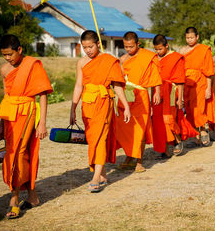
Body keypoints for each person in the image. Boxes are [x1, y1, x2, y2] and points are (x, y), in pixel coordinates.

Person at [0, 34, 53, 218]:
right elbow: (6, 97)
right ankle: (32, 195)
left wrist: (42, 122)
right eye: (4, 55)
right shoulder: (5, 70)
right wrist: (1, 125)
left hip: (27, 111)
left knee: (17, 153)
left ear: (19, 50)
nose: (8, 58)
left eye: (10, 54)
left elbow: (43, 94)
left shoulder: (32, 65)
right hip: (10, 114)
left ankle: (14, 198)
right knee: (20, 154)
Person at [70, 30, 130, 192]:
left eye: (90, 46)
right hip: (88, 104)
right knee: (92, 139)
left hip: (104, 102)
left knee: (100, 138)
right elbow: (78, 85)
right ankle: (102, 173)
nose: (88, 50)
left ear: (98, 44)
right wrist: (73, 108)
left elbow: (117, 85)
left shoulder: (109, 60)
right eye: (84, 47)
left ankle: (96, 176)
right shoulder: (81, 63)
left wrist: (126, 106)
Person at [115, 32, 162, 173]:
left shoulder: (148, 57)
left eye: (131, 46)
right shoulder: (122, 60)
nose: (128, 49)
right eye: (126, 46)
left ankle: (139, 161)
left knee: (140, 129)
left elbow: (155, 76)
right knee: (126, 129)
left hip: (141, 96)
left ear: (138, 44)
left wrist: (157, 92)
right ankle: (129, 157)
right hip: (125, 96)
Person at [179, 27, 215, 146]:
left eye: (192, 37)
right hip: (187, 82)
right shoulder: (182, 51)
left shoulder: (204, 49)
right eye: (187, 38)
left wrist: (208, 88)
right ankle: (195, 136)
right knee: (190, 110)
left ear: (197, 37)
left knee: (199, 109)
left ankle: (203, 131)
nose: (190, 40)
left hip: (200, 82)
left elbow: (208, 70)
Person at [152, 34, 186, 157]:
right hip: (156, 91)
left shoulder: (176, 58)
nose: (158, 52)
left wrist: (180, 98)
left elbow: (180, 80)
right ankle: (164, 149)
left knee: (168, 118)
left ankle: (177, 140)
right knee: (158, 121)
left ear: (166, 46)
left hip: (171, 91)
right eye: (156, 49)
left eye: (160, 49)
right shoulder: (154, 59)